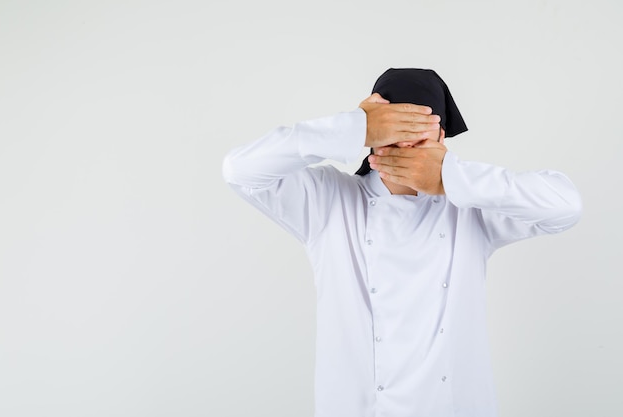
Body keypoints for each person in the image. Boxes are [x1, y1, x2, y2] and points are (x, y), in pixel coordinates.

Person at [221, 68, 582, 417]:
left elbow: (565, 207)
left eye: (419, 134)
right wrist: (351, 126)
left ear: (441, 139)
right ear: (371, 139)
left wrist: (450, 176)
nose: (406, 144)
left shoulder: (469, 208)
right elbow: (240, 171)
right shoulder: (328, 201)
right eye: (394, 131)